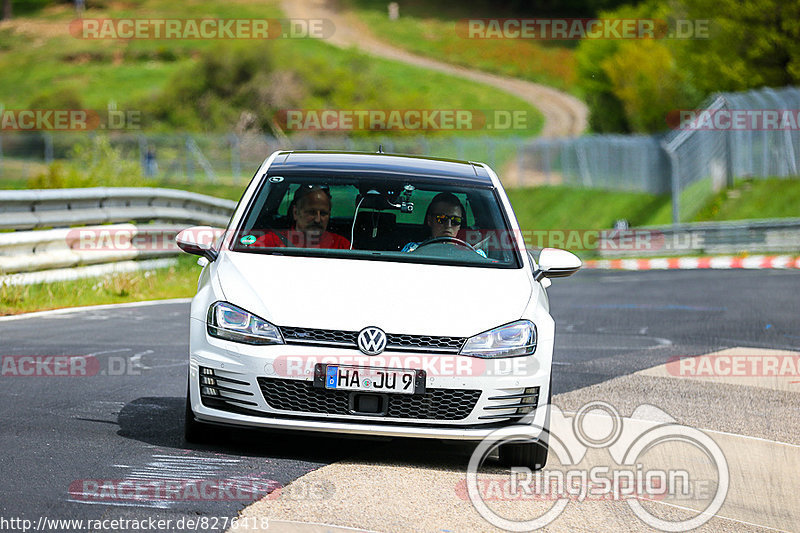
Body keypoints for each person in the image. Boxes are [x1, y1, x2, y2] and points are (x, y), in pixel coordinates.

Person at [252, 186, 350, 249]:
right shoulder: (270, 242)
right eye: (311, 213)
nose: (318, 219)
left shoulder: (342, 245)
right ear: (295, 213)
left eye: (323, 214)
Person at [402, 192, 486, 257]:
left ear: (460, 225)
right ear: (429, 221)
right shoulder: (412, 250)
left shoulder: (476, 255)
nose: (448, 225)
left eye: (455, 220)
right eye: (441, 219)